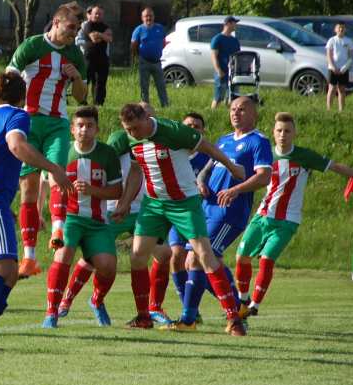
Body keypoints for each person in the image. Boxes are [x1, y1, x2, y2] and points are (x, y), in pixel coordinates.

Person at [112, 103, 248, 335]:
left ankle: (234, 319)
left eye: (135, 128)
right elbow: (136, 171)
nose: (132, 133)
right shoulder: (132, 139)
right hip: (154, 204)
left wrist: (232, 167)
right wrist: (124, 202)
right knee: (137, 256)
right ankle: (144, 316)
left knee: (204, 255)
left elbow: (208, 148)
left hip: (184, 202)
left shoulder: (173, 131)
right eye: (128, 129)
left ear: (147, 118)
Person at [0, 72, 71, 352]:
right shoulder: (17, 116)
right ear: (23, 97)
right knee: (4, 268)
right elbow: (17, 145)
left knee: (10, 273)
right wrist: (53, 167)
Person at [55, 103, 173, 326]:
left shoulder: (156, 139)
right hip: (111, 208)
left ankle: (152, 308)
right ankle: (66, 301)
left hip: (143, 209)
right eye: (142, 114)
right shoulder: (122, 138)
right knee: (93, 258)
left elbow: (143, 172)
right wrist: (122, 202)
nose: (146, 119)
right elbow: (103, 161)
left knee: (165, 254)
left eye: (150, 115)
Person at [235, 112, 353, 319]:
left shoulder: (305, 156)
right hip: (262, 216)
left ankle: (254, 304)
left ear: (294, 133)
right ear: (273, 132)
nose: (283, 135)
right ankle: (243, 300)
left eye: (287, 131)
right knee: (241, 257)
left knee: (266, 259)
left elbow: (334, 166)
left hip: (287, 221)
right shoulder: (265, 155)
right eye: (279, 130)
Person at [168, 96, 272, 331]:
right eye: (233, 109)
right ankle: (233, 308)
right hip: (206, 209)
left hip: (229, 213)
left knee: (197, 258)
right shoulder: (224, 141)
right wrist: (201, 182)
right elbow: (206, 170)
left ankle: (192, 319)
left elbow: (264, 176)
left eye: (242, 109)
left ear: (254, 114)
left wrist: (236, 189)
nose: (236, 113)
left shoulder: (258, 141)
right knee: (197, 260)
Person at [6, 2, 88, 279]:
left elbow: (80, 96)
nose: (73, 34)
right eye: (70, 28)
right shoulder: (31, 46)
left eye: (77, 30)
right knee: (28, 191)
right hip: (27, 122)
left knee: (57, 175)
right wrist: (2, 115)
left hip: (57, 123)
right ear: (56, 22)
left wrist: (76, 78)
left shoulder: (75, 54)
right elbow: (9, 79)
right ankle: (29, 258)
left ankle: (58, 229)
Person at [42, 106, 122, 329]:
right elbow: (45, 183)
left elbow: (117, 192)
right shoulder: (61, 152)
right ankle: (51, 312)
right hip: (70, 218)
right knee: (63, 255)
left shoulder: (107, 154)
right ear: (72, 129)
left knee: (108, 266)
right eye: (80, 126)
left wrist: (92, 190)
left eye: (89, 126)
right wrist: (40, 211)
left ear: (97, 129)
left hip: (97, 222)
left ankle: (96, 300)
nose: (84, 130)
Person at [168, 112, 210, 315]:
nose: (192, 130)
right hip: (176, 214)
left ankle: (193, 308)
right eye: (188, 126)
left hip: (200, 215)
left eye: (197, 127)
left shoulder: (208, 158)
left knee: (200, 260)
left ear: (203, 131)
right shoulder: (172, 153)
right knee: (176, 257)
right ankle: (189, 306)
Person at [130, 6, 169, 108]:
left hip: (157, 62)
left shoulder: (160, 28)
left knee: (161, 85)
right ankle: (145, 107)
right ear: (142, 18)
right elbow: (133, 44)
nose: (148, 18)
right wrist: (135, 56)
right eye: (146, 16)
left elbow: (163, 42)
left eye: (150, 16)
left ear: (154, 16)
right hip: (144, 62)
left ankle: (165, 106)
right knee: (144, 87)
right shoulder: (139, 29)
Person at [82, 5, 113, 106]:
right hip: (89, 58)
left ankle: (98, 103)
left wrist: (99, 34)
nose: (98, 15)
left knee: (100, 82)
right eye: (96, 13)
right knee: (86, 80)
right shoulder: (88, 25)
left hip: (102, 58)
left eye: (100, 14)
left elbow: (110, 39)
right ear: (91, 15)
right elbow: (94, 39)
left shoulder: (106, 26)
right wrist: (104, 35)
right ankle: (82, 102)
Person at [210, 16, 241, 109]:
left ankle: (228, 115)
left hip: (233, 73)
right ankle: (213, 114)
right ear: (227, 24)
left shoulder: (234, 40)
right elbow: (213, 56)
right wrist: (218, 70)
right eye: (234, 23)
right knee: (218, 97)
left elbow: (237, 55)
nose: (235, 25)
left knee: (233, 98)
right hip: (222, 72)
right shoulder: (217, 39)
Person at [325, 21, 353, 111]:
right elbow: (329, 55)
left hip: (343, 69)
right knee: (332, 88)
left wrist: (345, 67)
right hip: (333, 68)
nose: (341, 29)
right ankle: (329, 109)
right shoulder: (332, 40)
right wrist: (333, 67)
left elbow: (350, 56)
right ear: (335, 29)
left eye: (343, 28)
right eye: (339, 27)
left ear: (345, 29)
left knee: (342, 89)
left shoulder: (348, 41)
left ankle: (341, 110)